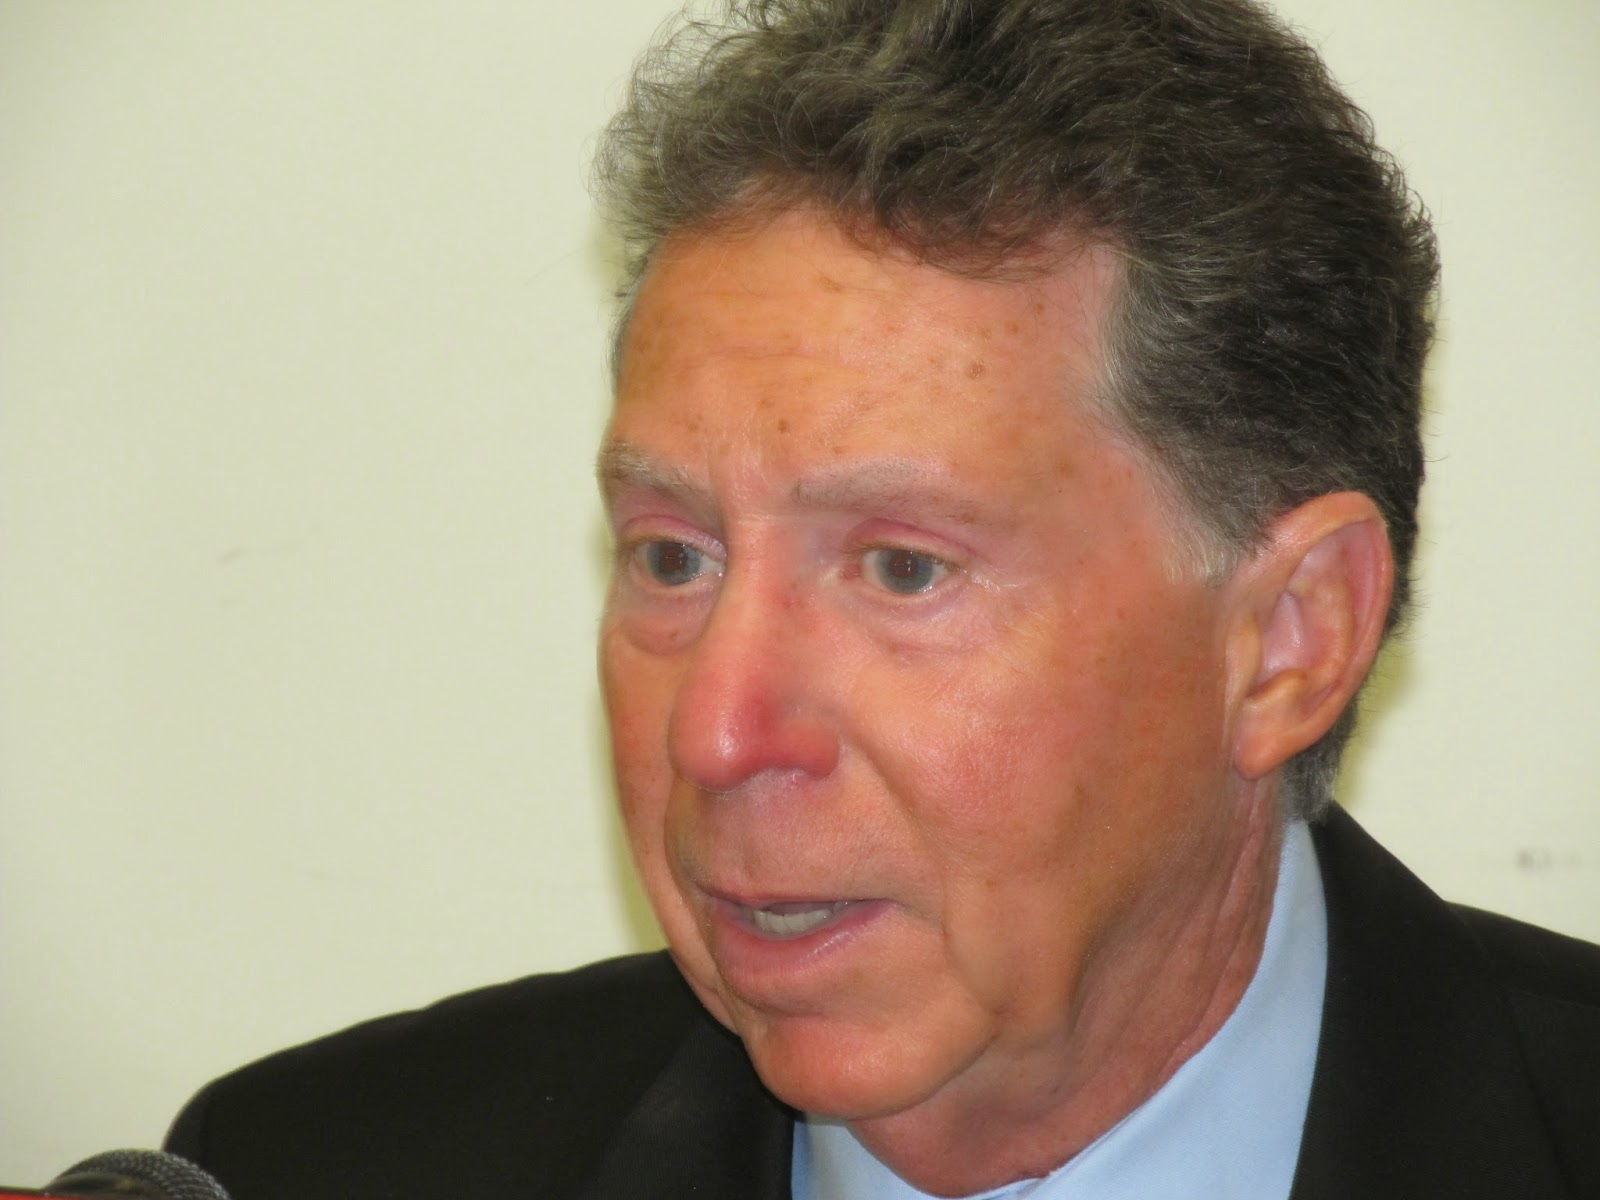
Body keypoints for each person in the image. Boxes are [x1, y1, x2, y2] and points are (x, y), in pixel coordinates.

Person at [163, 1, 1600, 1196]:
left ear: (1289, 640)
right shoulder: (302, 1166)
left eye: (902, 569)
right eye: (674, 557)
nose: (717, 735)